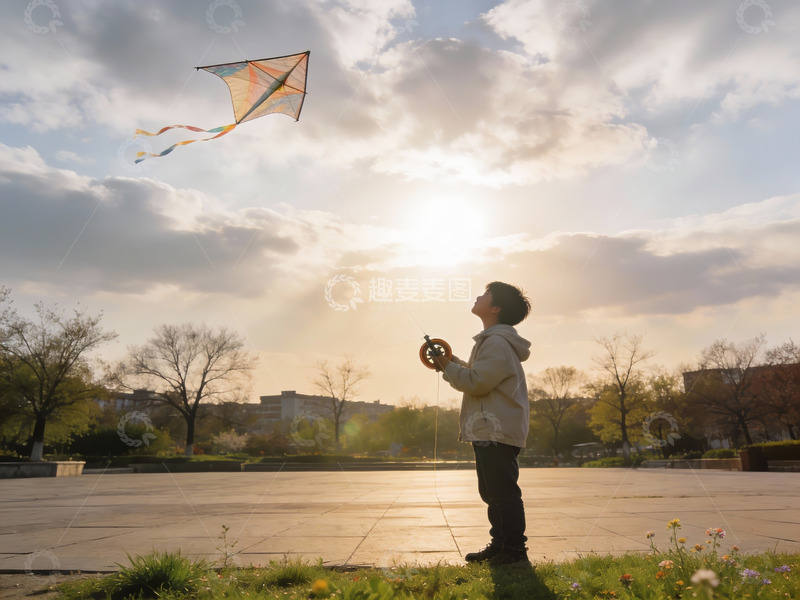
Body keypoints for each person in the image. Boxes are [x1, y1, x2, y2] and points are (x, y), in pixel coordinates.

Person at [431, 281, 532, 565]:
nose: (478, 296)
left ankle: (514, 551)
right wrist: (450, 362)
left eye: (485, 294)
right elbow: (478, 375)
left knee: (503, 493)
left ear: (496, 308)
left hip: (496, 430)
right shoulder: (493, 342)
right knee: (492, 492)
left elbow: (476, 383)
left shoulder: (497, 343)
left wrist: (447, 366)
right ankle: (500, 545)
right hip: (491, 429)